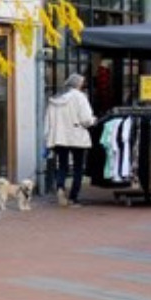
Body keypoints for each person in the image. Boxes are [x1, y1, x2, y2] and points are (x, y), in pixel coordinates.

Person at [44, 73, 95, 207]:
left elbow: (48, 120)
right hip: (76, 136)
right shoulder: (80, 97)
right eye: (82, 83)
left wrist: (48, 136)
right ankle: (73, 197)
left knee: (62, 165)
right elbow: (86, 119)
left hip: (59, 136)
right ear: (78, 84)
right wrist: (93, 121)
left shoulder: (56, 98)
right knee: (78, 167)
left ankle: (60, 187)